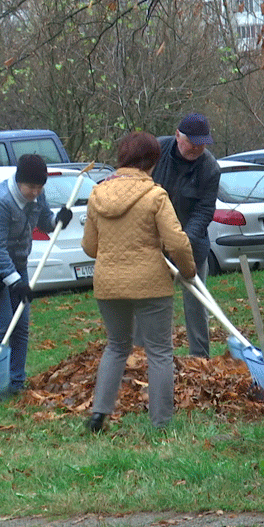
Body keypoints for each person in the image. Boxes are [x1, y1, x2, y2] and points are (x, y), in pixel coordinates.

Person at [82, 132, 196, 433]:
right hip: (150, 283)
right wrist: (189, 271)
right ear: (152, 160)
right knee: (159, 351)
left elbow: (89, 247)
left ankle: (99, 414)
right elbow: (177, 242)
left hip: (108, 283)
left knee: (117, 346)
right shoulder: (155, 196)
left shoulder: (97, 195)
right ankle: (161, 422)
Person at [0, 154, 72, 397]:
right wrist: (15, 281)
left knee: (21, 326)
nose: (35, 192)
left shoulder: (37, 194)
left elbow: (44, 221)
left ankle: (16, 383)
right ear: (19, 181)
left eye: (40, 187)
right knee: (3, 324)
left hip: (18, 265)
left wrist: (58, 219)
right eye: (30, 187)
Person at [153, 113, 221, 358]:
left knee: (197, 304)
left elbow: (204, 212)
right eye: (192, 141)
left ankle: (200, 359)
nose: (197, 147)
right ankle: (152, 355)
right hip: (152, 246)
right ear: (177, 135)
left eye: (202, 142)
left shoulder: (210, 168)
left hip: (192, 246)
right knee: (155, 302)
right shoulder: (156, 150)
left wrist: (181, 242)